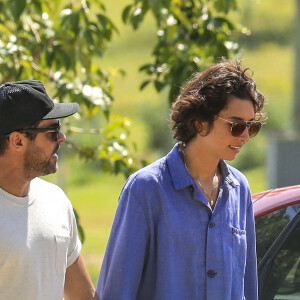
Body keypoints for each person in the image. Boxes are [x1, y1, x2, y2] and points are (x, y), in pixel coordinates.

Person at [96, 59, 267, 300]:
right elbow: (117, 290)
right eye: (237, 126)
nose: (246, 136)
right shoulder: (146, 189)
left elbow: (248, 287)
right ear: (200, 123)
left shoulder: (240, 189)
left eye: (252, 126)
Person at [0, 80, 99, 300]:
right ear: (17, 141)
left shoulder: (56, 200)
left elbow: (84, 296)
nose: (62, 138)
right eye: (53, 131)